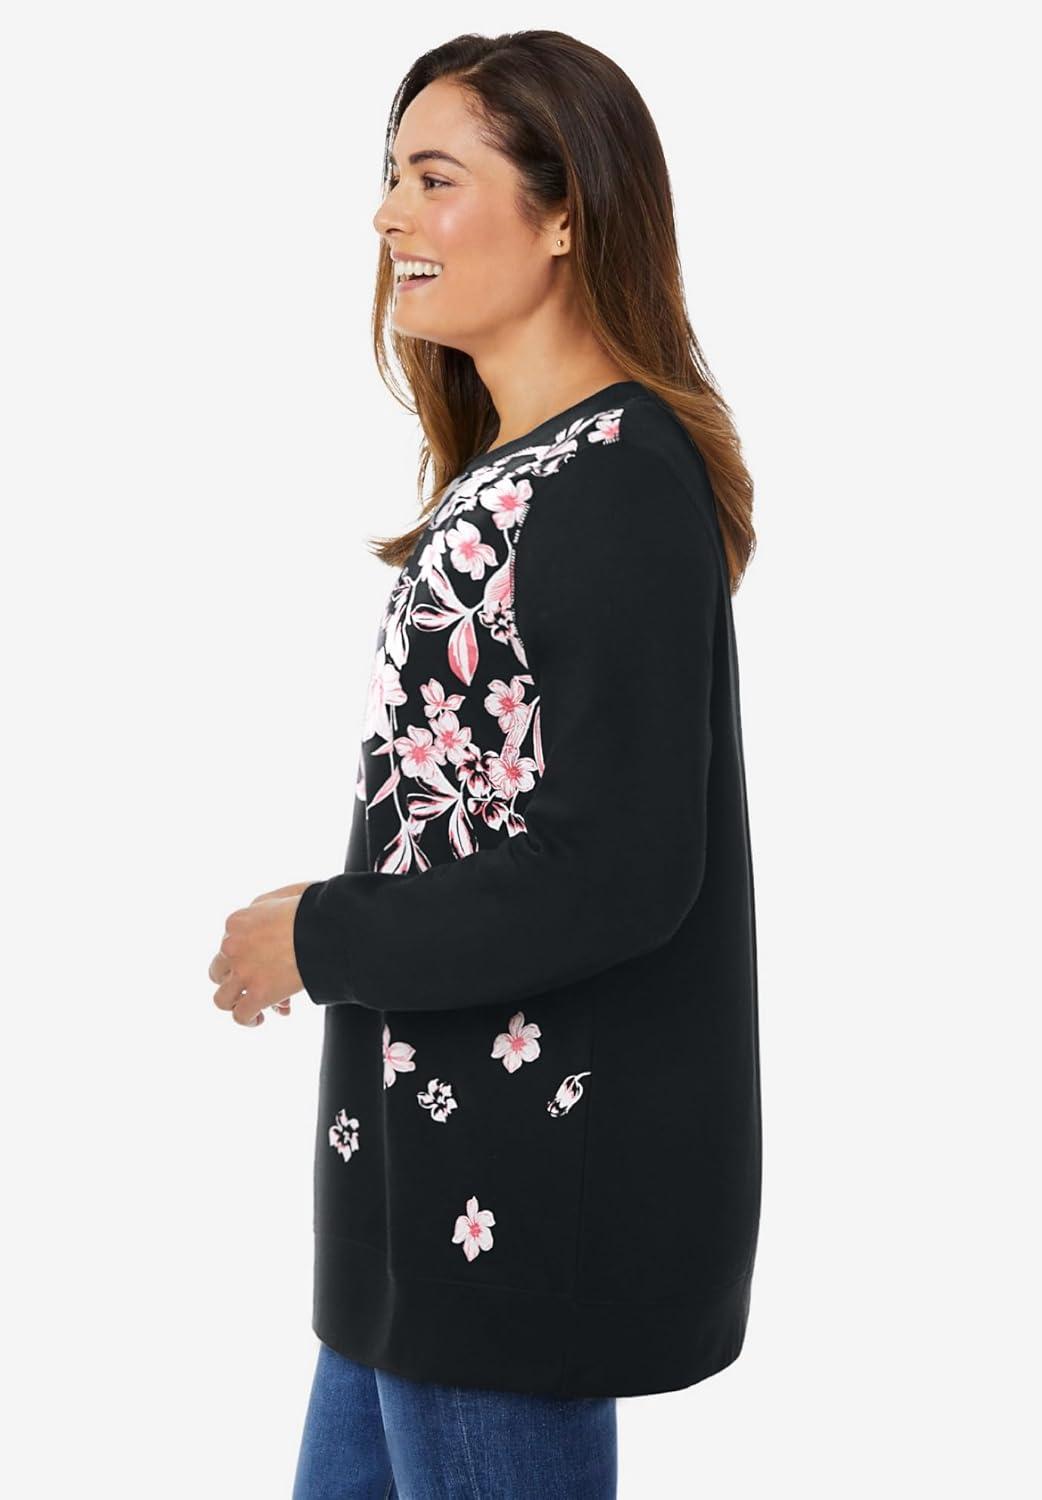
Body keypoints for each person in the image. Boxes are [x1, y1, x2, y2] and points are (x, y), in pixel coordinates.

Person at [210, 29, 761, 1500]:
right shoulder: (521, 473)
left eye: (434, 177)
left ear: (566, 211)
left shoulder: (614, 481)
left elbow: (621, 870)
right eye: (391, 176)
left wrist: (320, 937)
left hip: (508, 1218)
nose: (387, 213)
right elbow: (480, 813)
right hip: (422, 1196)